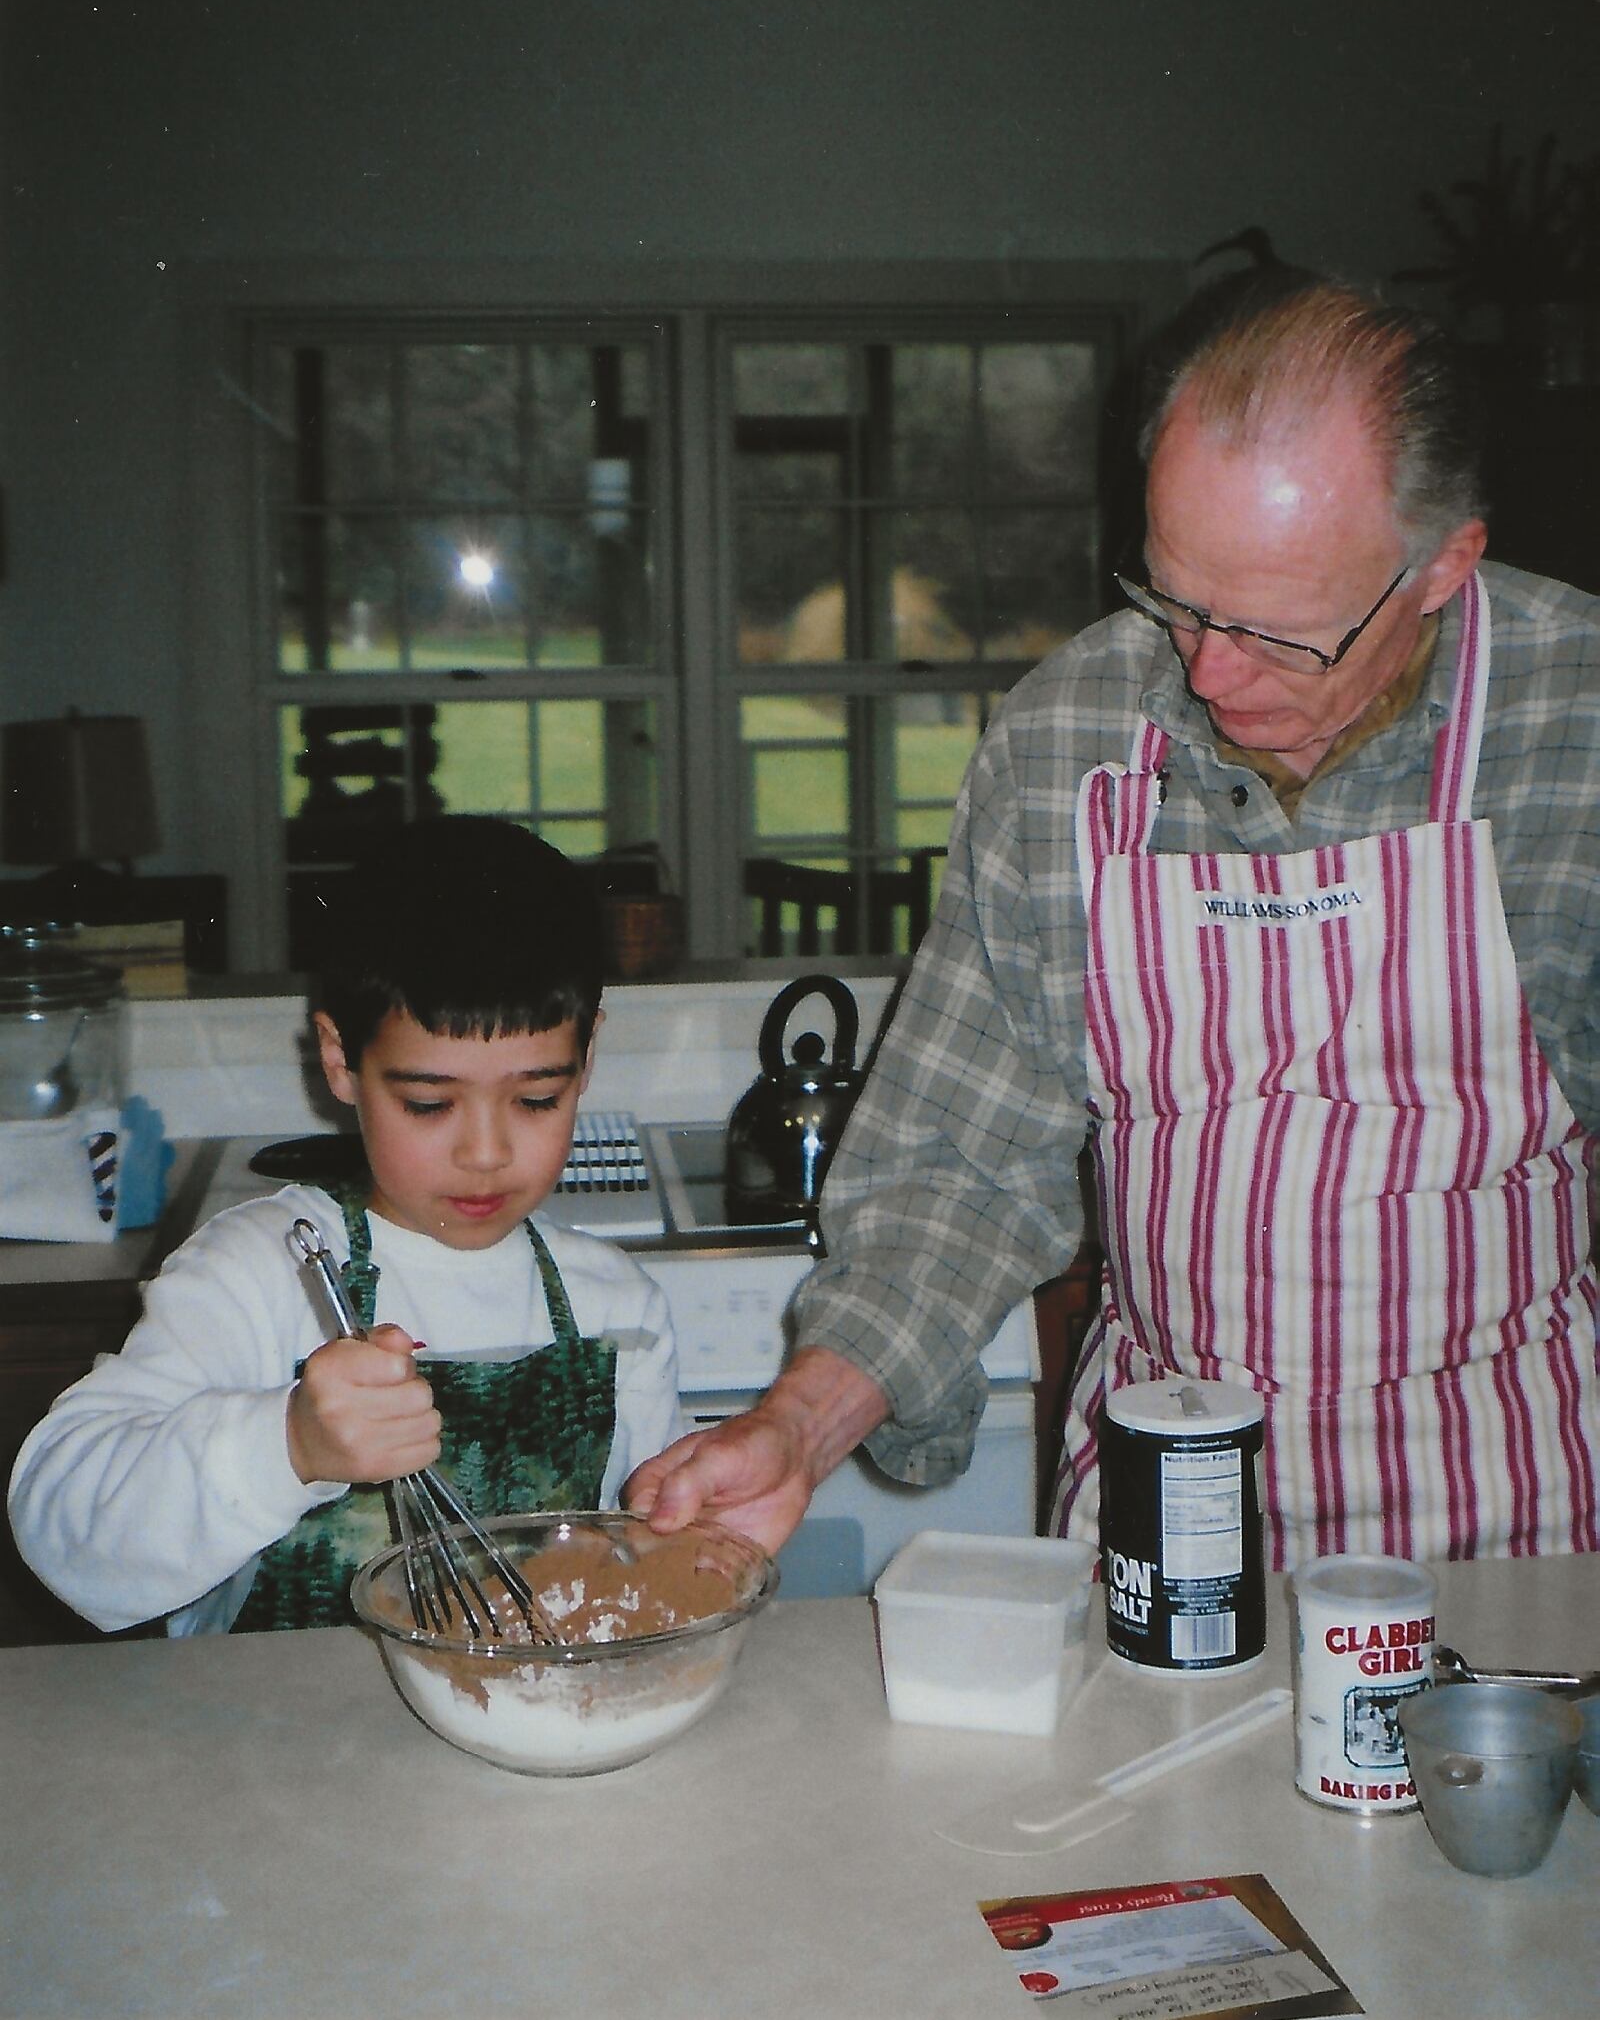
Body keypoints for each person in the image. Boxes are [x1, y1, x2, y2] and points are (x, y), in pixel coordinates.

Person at [629, 268, 1599, 1571]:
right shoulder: (1067, 737)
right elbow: (958, 1169)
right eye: (1176, 597)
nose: (1205, 672)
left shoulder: (1577, 725)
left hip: (1522, 1534)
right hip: (1170, 1516)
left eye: (1277, 633)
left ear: (1444, 567)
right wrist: (798, 1427)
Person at [9, 817, 686, 1634]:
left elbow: (653, 1561)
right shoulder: (255, 1276)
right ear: (339, 1059)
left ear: (588, 1057)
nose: (485, 1151)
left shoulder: (618, 1307)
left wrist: (691, 1522)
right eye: (428, 1103)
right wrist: (288, 1442)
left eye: (537, 1097)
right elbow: (62, 1530)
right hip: (278, 1749)